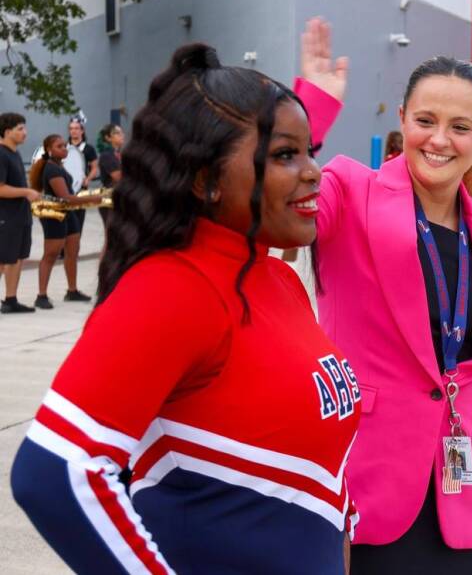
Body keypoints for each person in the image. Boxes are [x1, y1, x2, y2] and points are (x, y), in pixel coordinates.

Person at [11, 43, 360, 574]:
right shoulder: (175, 286)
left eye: (310, 151)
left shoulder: (277, 279)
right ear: (206, 181)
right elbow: (56, 471)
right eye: (288, 155)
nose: (315, 172)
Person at [293, 19, 472, 574]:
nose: (439, 140)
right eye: (425, 121)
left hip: (460, 489)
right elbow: (269, 202)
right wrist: (306, 120)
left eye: (460, 127)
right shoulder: (348, 191)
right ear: (402, 120)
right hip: (364, 482)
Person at [29, 134, 94, 308]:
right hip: (53, 214)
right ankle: (41, 296)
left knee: (73, 252)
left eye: (65, 145)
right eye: (60, 146)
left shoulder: (59, 166)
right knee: (50, 254)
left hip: (68, 213)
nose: (64, 148)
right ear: (50, 150)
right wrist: (95, 198)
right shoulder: (52, 169)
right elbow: (65, 197)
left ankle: (72, 291)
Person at [0, 112, 41, 314]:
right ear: (7, 132)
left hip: (20, 216)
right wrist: (26, 192)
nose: (25, 133)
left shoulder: (14, 153)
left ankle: (10, 300)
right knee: (2, 259)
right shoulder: (1, 154)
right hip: (5, 217)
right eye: (20, 129)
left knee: (17, 257)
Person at [64, 117, 99, 234]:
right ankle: (63, 252)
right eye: (71, 128)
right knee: (64, 224)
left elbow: (95, 168)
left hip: (81, 191)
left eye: (76, 128)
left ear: (82, 131)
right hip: (64, 190)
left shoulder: (88, 149)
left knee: (77, 225)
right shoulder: (63, 147)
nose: (73, 131)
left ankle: (74, 251)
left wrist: (88, 179)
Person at [96, 123, 124, 226]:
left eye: (121, 132)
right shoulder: (107, 155)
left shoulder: (121, 153)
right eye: (117, 133)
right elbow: (118, 177)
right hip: (110, 199)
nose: (122, 135)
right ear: (108, 138)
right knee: (112, 236)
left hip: (121, 199)